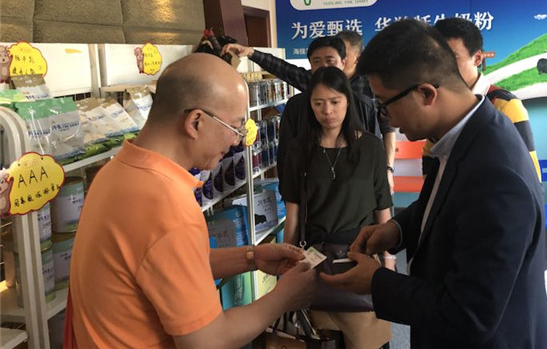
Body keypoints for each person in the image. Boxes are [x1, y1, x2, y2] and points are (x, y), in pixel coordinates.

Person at [321, 20, 547, 348]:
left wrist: (376, 282)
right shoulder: (467, 134)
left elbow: (470, 313)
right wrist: (397, 229)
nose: (388, 120)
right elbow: (447, 203)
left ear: (426, 94)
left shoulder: (495, 173)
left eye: (385, 105)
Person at [66, 54, 316, 349]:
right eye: (236, 128)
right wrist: (284, 297)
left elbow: (168, 265)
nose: (237, 141)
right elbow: (208, 341)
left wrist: (252, 257)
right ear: (196, 122)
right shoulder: (167, 206)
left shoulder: (116, 172)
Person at [280, 66, 393, 348]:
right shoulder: (298, 149)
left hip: (360, 256)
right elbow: (293, 215)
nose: (327, 111)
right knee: (319, 339)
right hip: (314, 259)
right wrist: (286, 264)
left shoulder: (371, 147)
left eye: (334, 102)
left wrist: (388, 261)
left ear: (347, 101)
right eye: (318, 103)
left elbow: (383, 208)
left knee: (366, 338)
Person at [221, 32, 397, 192]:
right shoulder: (309, 89)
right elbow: (285, 69)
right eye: (319, 103)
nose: (327, 110)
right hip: (319, 177)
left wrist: (387, 170)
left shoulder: (369, 90)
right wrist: (251, 52)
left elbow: (385, 130)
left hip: (359, 176)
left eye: (331, 59)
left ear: (345, 60)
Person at [423, 17, 541, 180]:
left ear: (478, 58)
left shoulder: (505, 105)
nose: (442, 67)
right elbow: (430, 162)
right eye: (437, 58)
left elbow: (529, 176)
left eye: (453, 58)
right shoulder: (439, 103)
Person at [275, 37, 380, 178]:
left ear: (343, 63)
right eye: (317, 61)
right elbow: (285, 155)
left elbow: (376, 154)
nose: (324, 67)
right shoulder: (296, 106)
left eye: (330, 61)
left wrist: (387, 170)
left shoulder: (364, 105)